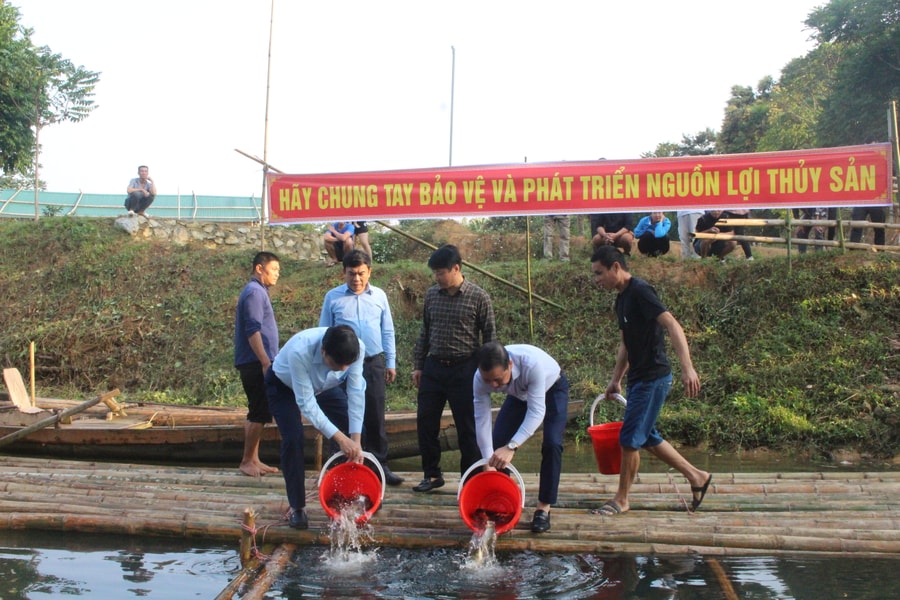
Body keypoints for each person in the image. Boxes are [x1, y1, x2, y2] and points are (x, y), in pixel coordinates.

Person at [589, 245, 711, 516]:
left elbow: (672, 324)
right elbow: (625, 345)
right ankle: (697, 477)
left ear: (616, 268)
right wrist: (615, 380)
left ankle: (622, 499)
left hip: (654, 377)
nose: (597, 279)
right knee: (647, 436)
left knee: (629, 438)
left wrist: (687, 368)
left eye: (599, 273)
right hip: (638, 378)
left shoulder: (641, 291)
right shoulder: (620, 299)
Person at [411, 244, 496, 492]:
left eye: (440, 272)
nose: (437, 278)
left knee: (468, 427)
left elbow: (490, 338)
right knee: (426, 422)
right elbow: (425, 332)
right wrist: (418, 365)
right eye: (435, 273)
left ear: (456, 268)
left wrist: (487, 372)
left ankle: (469, 478)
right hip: (434, 367)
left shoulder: (479, 297)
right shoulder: (431, 295)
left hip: (466, 369)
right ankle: (432, 474)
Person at [265, 325, 366, 529]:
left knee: (350, 425)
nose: (344, 369)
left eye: (348, 364)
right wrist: (340, 438)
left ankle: (340, 495)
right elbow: (307, 405)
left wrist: (355, 440)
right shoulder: (300, 351)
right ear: (323, 352)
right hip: (284, 387)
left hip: (325, 387)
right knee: (294, 439)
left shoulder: (356, 349)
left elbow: (356, 392)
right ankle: (297, 507)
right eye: (338, 364)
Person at [319, 249, 403, 486]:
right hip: (341, 367)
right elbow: (323, 333)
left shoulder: (379, 296)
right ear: (343, 273)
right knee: (341, 415)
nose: (356, 279)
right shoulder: (332, 298)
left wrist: (391, 362)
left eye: (361, 274)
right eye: (351, 274)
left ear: (369, 272)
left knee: (375, 414)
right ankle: (338, 465)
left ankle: (379, 466)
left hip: (373, 362)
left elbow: (387, 330)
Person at [473, 341, 570, 533]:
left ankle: (544, 507)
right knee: (496, 442)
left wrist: (512, 446)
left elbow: (536, 412)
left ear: (509, 365)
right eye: (488, 381)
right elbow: (481, 419)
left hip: (552, 388)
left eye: (498, 380)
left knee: (552, 443)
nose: (493, 386)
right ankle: (505, 502)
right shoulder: (479, 379)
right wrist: (488, 461)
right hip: (519, 396)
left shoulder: (531, 364)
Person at [234, 251, 281, 477]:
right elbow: (252, 329)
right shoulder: (254, 292)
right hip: (255, 362)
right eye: (274, 270)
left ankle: (254, 459)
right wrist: (264, 361)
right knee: (259, 412)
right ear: (259, 269)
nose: (277, 275)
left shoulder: (259, 291)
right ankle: (246, 461)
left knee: (258, 412)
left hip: (256, 361)